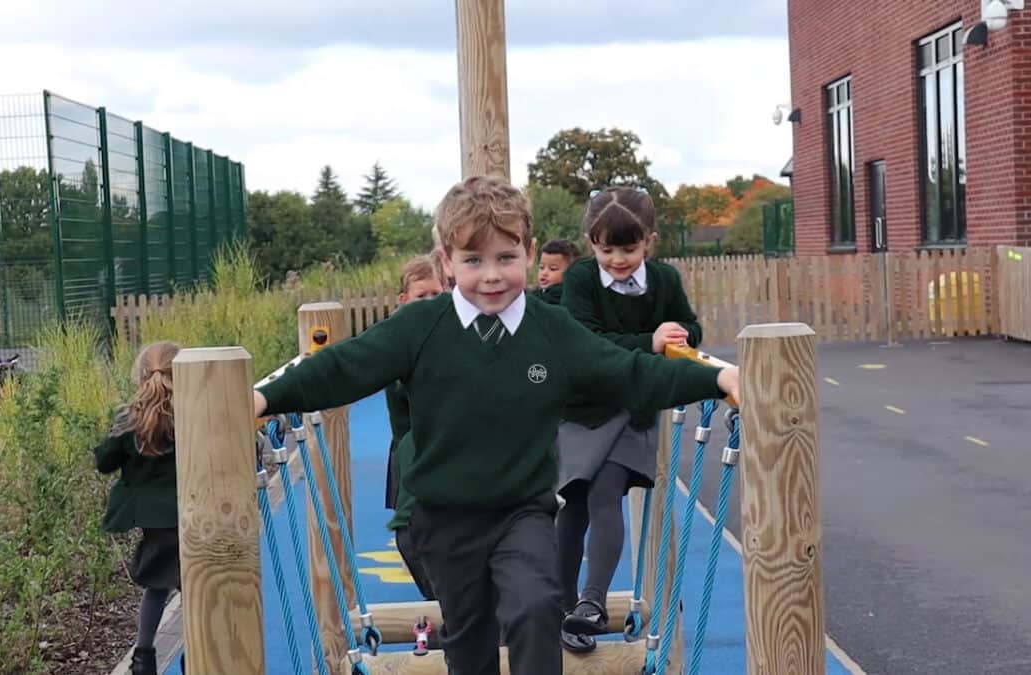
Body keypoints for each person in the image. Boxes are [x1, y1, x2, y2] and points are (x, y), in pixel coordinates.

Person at [253, 175, 738, 675]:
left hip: (522, 511)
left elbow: (630, 373)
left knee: (534, 607)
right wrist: (263, 398)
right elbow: (343, 366)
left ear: (528, 254)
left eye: (505, 259)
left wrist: (719, 378)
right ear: (446, 262)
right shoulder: (421, 328)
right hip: (443, 518)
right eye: (473, 261)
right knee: (470, 639)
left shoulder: (551, 332)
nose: (491, 276)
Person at [555, 186, 703, 652]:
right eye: (606, 249)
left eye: (629, 248)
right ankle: (560, 604)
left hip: (633, 407)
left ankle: (591, 601)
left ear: (649, 241)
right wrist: (649, 342)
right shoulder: (580, 280)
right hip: (583, 405)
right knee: (573, 499)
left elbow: (689, 327)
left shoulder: (663, 280)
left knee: (605, 493)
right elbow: (585, 344)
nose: (618, 259)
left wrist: (678, 334)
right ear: (591, 243)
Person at [93, 341, 182, 675]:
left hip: (155, 521)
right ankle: (200, 649)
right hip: (192, 512)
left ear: (142, 375)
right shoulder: (192, 409)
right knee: (200, 586)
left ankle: (143, 657)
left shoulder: (131, 418)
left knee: (156, 587)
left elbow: (105, 462)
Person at [383, 254, 446, 607]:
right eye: (421, 296)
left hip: (443, 450)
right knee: (409, 538)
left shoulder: (455, 332)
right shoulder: (398, 337)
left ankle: (457, 608)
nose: (429, 303)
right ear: (404, 300)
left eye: (436, 295)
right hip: (408, 448)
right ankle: (445, 604)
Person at [532, 239, 580, 305]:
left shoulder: (565, 298)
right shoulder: (537, 293)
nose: (544, 273)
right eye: (541, 267)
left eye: (552, 269)